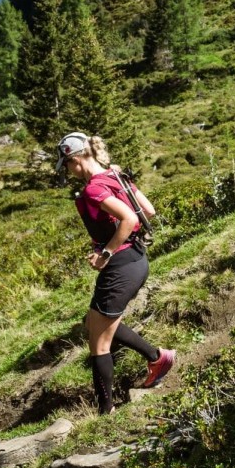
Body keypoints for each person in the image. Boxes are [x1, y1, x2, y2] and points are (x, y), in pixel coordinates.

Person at [56, 131, 174, 415]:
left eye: (67, 166)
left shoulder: (95, 188)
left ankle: (104, 412)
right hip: (136, 260)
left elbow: (131, 218)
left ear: (75, 161)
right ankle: (158, 358)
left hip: (120, 265)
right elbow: (149, 210)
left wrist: (105, 253)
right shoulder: (114, 176)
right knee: (94, 322)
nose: (69, 173)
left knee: (99, 343)